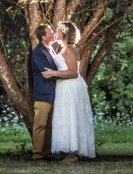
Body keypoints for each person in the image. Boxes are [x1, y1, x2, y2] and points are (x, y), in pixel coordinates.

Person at [42, 21, 95, 162]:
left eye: (58, 31)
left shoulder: (70, 49)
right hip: (64, 87)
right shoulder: (64, 48)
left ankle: (73, 153)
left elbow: (73, 73)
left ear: (64, 33)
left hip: (70, 87)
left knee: (71, 116)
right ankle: (71, 152)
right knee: (66, 116)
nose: (55, 33)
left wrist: (53, 73)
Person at [30, 24, 58, 161]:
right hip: (43, 94)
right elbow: (46, 72)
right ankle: (37, 153)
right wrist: (66, 74)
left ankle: (47, 152)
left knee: (50, 125)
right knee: (40, 124)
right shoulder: (38, 52)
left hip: (53, 93)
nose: (54, 33)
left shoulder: (51, 49)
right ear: (43, 37)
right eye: (50, 32)